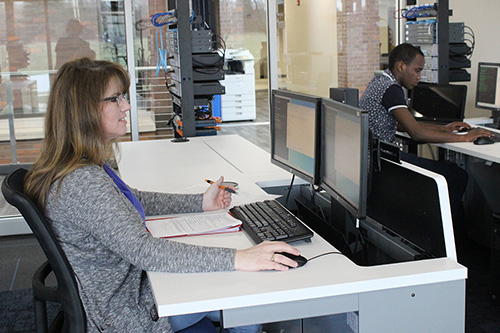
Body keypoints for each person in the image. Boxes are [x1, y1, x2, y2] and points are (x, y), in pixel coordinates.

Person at [24, 58, 301, 332]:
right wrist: (239, 258)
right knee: (247, 302)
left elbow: (132, 198)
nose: (127, 106)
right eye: (116, 99)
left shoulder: (81, 166)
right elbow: (144, 250)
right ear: (84, 111)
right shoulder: (83, 182)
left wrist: (199, 203)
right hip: (132, 312)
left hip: (132, 289)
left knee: (238, 292)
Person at [359, 43, 493, 245]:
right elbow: (416, 133)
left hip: (375, 159)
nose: (419, 76)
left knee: (450, 170)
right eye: (417, 70)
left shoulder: (379, 81)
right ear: (402, 66)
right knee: (457, 176)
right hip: (383, 162)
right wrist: (465, 137)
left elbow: (406, 126)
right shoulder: (391, 89)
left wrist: (445, 129)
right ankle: (445, 242)